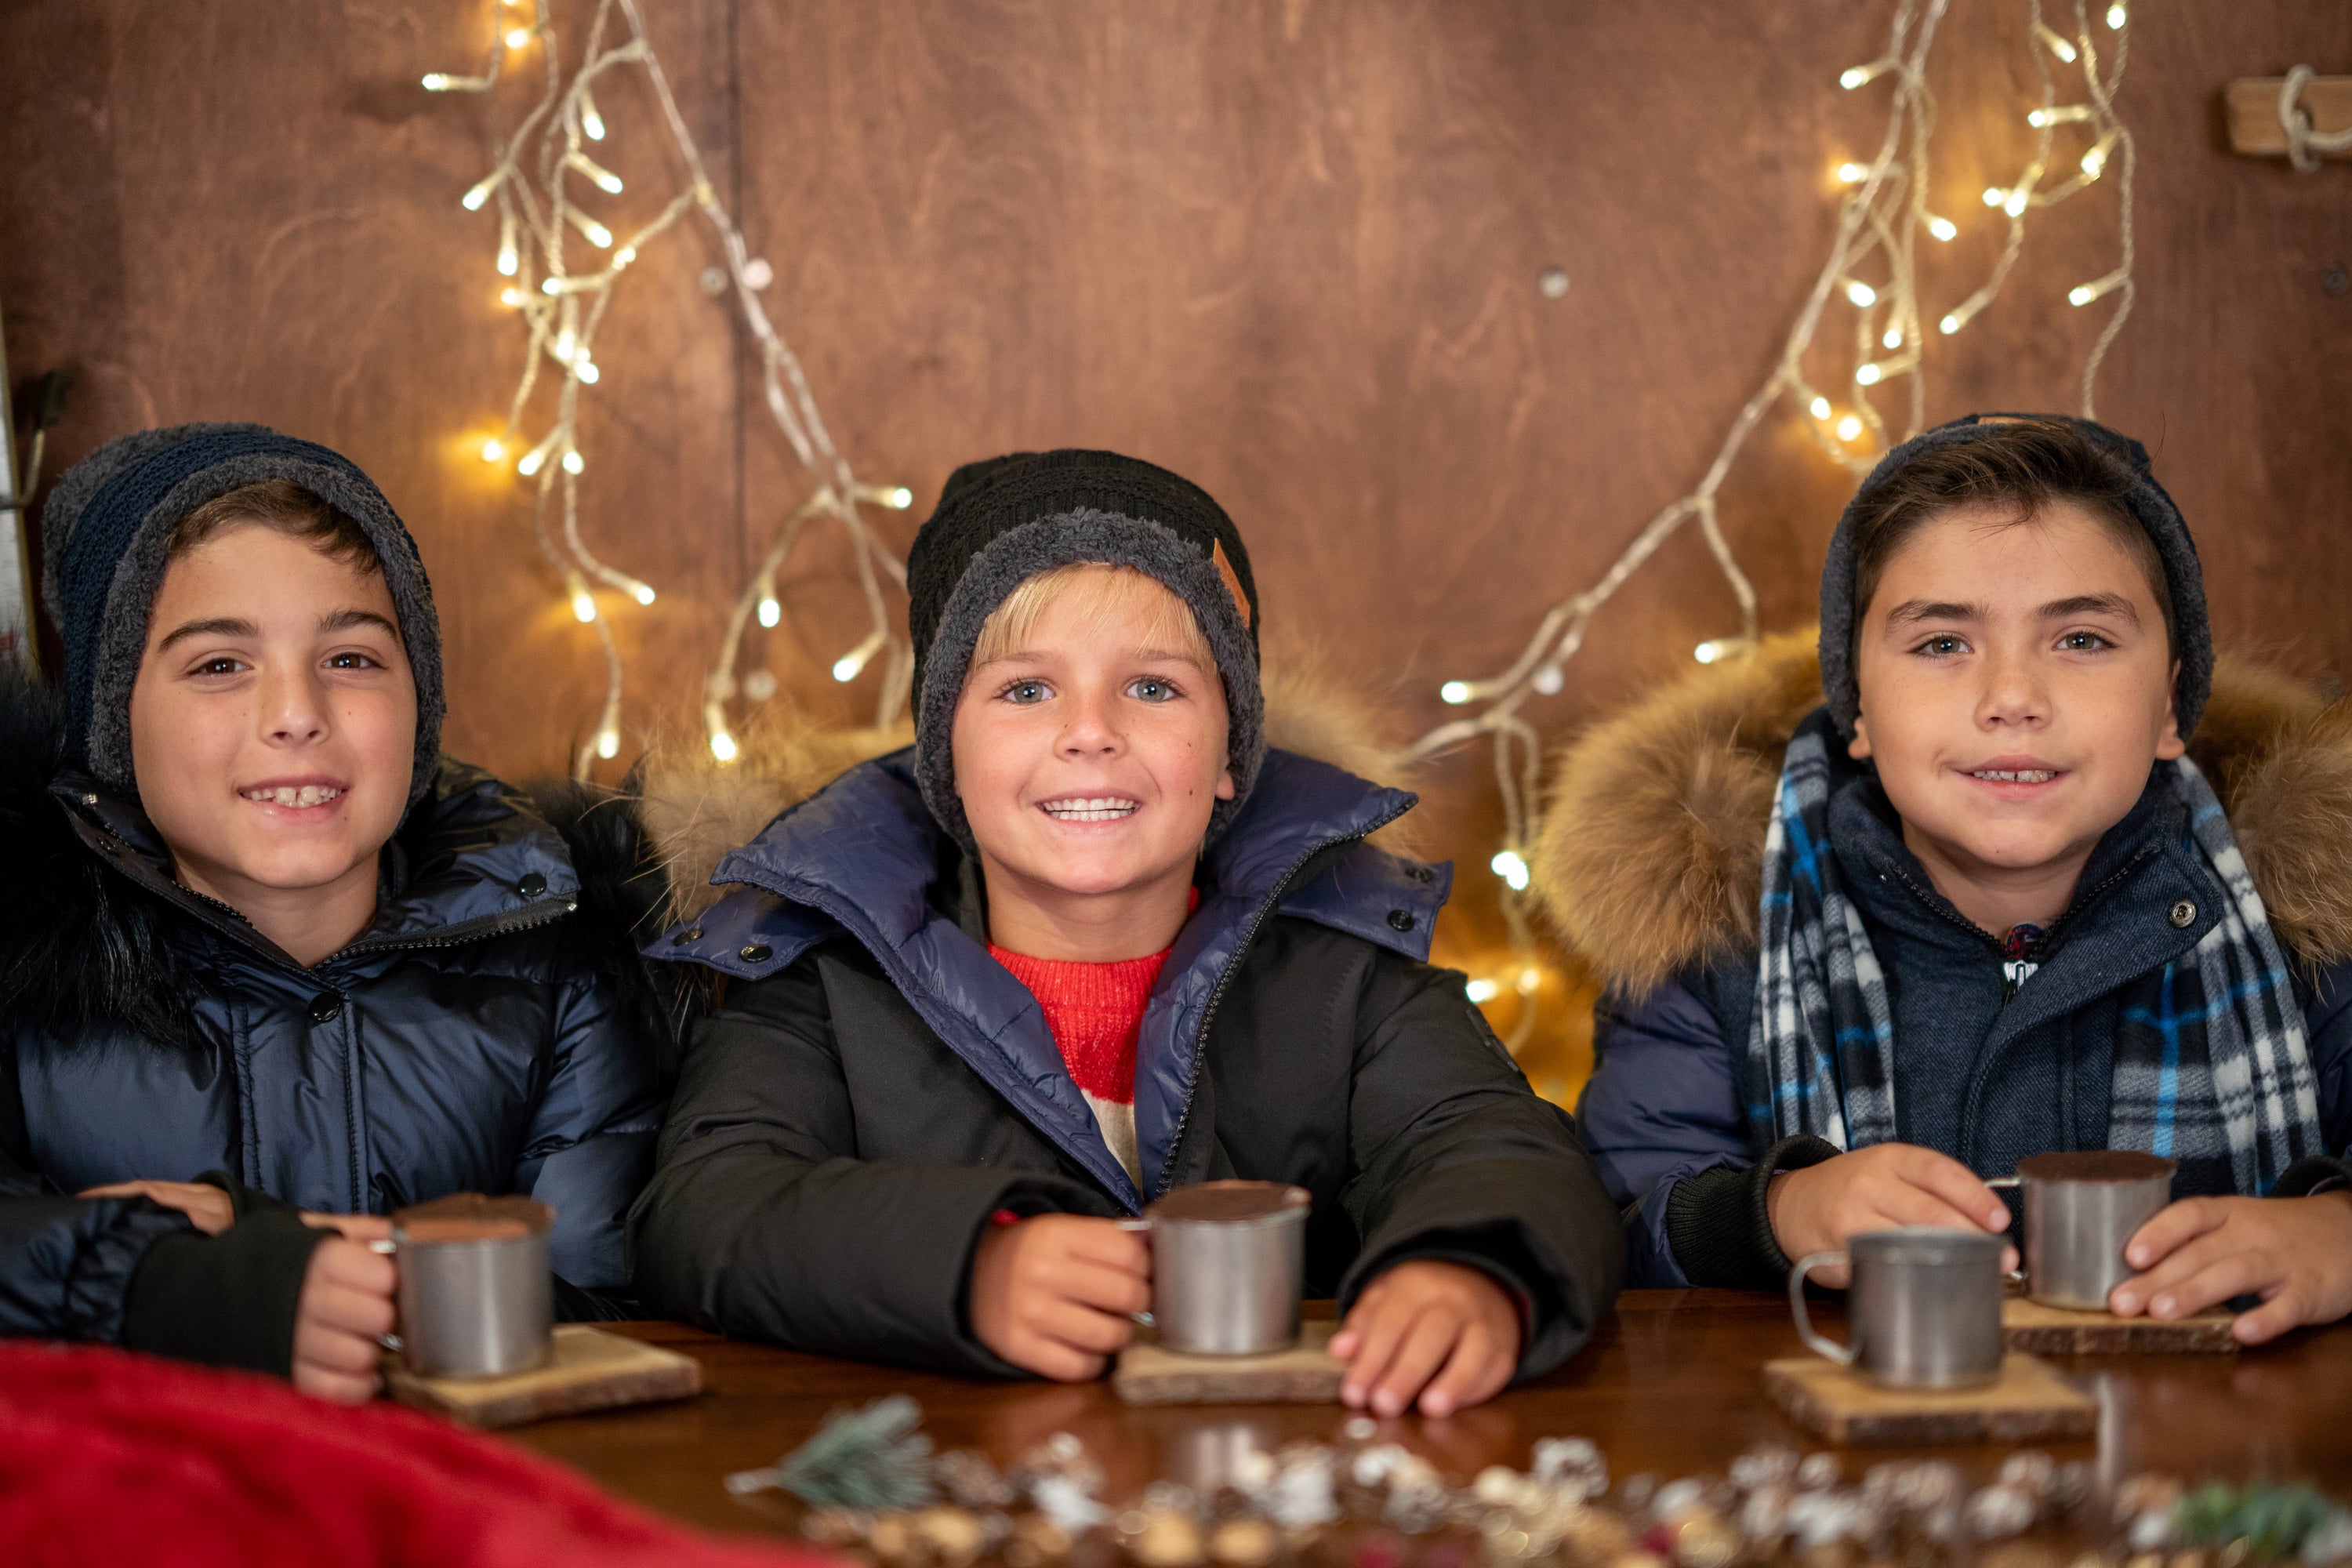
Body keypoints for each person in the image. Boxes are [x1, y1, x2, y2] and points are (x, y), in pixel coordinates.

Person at [633, 449, 1624, 1416]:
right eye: (1026, 689)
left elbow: (1496, 1144)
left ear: (1230, 752)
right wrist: (966, 1262)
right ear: (948, 757)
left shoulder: (1346, 972)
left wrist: (1476, 1268)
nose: (1090, 730)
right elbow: (708, 1206)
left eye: (1153, 686)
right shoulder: (822, 978)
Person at [1550, 413, 2352, 1345]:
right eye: (1942, 644)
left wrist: (2337, 1234)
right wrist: (1774, 1214)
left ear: (2170, 705)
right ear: (1856, 708)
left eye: (2082, 639)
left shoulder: (2310, 914)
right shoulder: (1719, 923)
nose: (2011, 697)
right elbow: (1617, 1212)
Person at [1, 424, 668, 1402]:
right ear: (114, 723)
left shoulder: (560, 956)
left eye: (351, 658)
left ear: (419, 707)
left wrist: (321, 1271)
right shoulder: (16, 956)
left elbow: (615, 1306)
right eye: (219, 664)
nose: (295, 711)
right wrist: (168, 1276)